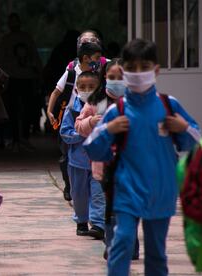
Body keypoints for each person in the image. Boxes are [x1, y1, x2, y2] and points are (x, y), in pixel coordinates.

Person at [83, 39, 201, 276]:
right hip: (126, 190)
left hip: (162, 191)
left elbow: (196, 142)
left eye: (144, 67)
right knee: (122, 242)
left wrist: (182, 127)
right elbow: (92, 147)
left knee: (157, 252)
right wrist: (109, 129)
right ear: (124, 70)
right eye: (132, 68)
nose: (138, 74)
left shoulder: (169, 106)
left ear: (156, 70)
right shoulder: (118, 111)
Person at [74, 58, 140, 259]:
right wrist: (90, 121)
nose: (117, 81)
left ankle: (131, 245)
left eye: (121, 77)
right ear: (104, 78)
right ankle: (112, 244)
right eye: (112, 77)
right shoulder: (96, 102)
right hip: (104, 167)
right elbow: (79, 125)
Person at [60, 71, 105, 239]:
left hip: (98, 160)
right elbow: (65, 133)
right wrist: (83, 132)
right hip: (77, 161)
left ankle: (98, 224)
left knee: (98, 193)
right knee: (78, 194)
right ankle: (81, 221)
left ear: (99, 88)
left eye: (91, 87)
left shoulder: (104, 108)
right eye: (83, 87)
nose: (87, 90)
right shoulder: (71, 110)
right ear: (77, 89)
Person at [0, 13, 43, 151]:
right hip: (11, 79)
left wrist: (39, 74)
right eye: (11, 21)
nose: (14, 24)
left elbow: (35, 57)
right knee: (11, 109)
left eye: (16, 21)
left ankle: (24, 137)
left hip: (27, 78)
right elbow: (0, 60)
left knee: (28, 109)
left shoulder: (26, 38)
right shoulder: (6, 40)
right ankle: (14, 138)